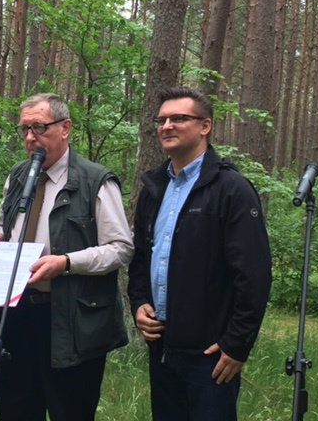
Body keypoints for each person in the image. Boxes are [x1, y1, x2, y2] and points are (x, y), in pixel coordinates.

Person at [127, 87, 272, 420]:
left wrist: (237, 343)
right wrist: (138, 303)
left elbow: (254, 273)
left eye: (179, 118)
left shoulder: (231, 189)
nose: (166, 126)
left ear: (205, 126)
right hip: (161, 345)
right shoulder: (154, 188)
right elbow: (140, 258)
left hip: (210, 353)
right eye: (161, 119)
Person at [0, 93, 134, 421]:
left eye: (39, 127)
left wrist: (66, 263)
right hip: (17, 316)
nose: (29, 138)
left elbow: (121, 248)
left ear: (65, 127)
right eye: (24, 129)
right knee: (15, 409)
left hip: (72, 322)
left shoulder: (95, 180)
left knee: (70, 410)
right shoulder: (17, 176)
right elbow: (4, 226)